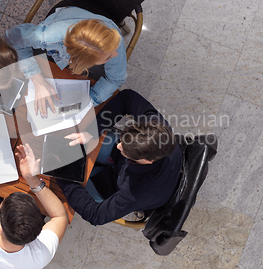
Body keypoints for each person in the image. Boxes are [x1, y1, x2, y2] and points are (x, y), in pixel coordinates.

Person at [56, 89, 183, 226]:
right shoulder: (156, 128)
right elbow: (127, 97)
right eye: (123, 141)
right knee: (79, 142)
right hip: (126, 166)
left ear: (146, 160)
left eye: (126, 149)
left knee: (63, 185)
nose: (119, 146)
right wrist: (92, 131)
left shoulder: (135, 193)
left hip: (115, 184)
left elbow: (95, 215)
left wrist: (63, 175)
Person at [4, 7, 127, 117]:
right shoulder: (46, 37)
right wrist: (37, 80)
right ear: (79, 62)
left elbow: (116, 78)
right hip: (62, 22)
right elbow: (11, 39)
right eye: (107, 58)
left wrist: (88, 101)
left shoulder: (112, 37)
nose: (116, 54)